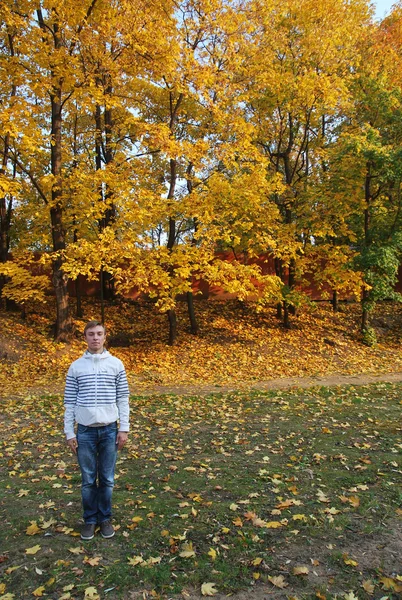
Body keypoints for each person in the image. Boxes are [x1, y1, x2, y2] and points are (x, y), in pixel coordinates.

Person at [64, 320, 130, 540]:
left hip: (110, 430)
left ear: (105, 336)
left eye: (99, 334)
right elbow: (69, 402)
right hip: (84, 432)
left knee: (107, 478)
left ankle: (105, 518)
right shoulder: (76, 366)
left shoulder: (116, 364)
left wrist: (124, 428)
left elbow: (123, 398)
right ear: (85, 337)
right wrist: (69, 432)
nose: (95, 338)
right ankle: (90, 520)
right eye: (90, 334)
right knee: (88, 479)